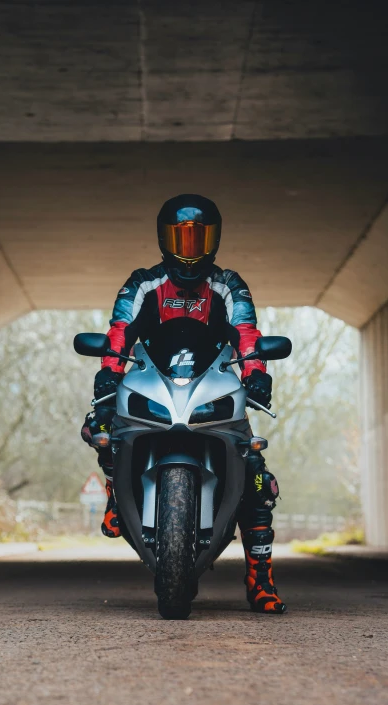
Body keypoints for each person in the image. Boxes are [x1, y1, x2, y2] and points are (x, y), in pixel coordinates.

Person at [81, 194, 286, 614]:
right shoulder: (143, 283)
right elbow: (119, 331)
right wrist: (108, 373)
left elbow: (247, 332)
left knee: (256, 475)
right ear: (163, 239)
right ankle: (116, 495)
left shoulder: (229, 285)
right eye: (181, 238)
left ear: (215, 240)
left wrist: (257, 374)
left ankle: (260, 579)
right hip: (150, 380)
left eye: (199, 238)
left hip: (214, 383)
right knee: (100, 427)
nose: (190, 249)